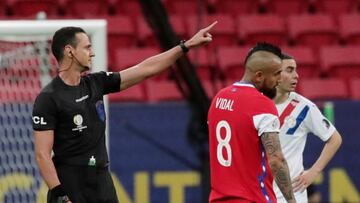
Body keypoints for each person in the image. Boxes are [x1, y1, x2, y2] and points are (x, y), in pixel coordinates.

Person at [32, 22, 217, 203]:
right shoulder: (49, 98)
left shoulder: (96, 83)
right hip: (71, 186)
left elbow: (145, 69)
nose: (93, 52)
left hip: (101, 183)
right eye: (87, 47)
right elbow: (42, 154)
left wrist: (185, 46)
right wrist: (60, 194)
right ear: (69, 51)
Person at [208, 42, 296, 203]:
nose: (279, 79)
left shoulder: (219, 98)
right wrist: (291, 201)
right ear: (259, 76)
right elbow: (276, 159)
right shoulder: (261, 104)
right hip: (252, 198)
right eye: (276, 74)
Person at [272, 53, 342, 203]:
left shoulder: (304, 107)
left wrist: (314, 172)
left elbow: (335, 139)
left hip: (292, 196)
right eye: (290, 70)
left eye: (296, 70)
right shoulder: (257, 103)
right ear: (275, 73)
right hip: (260, 193)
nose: (296, 76)